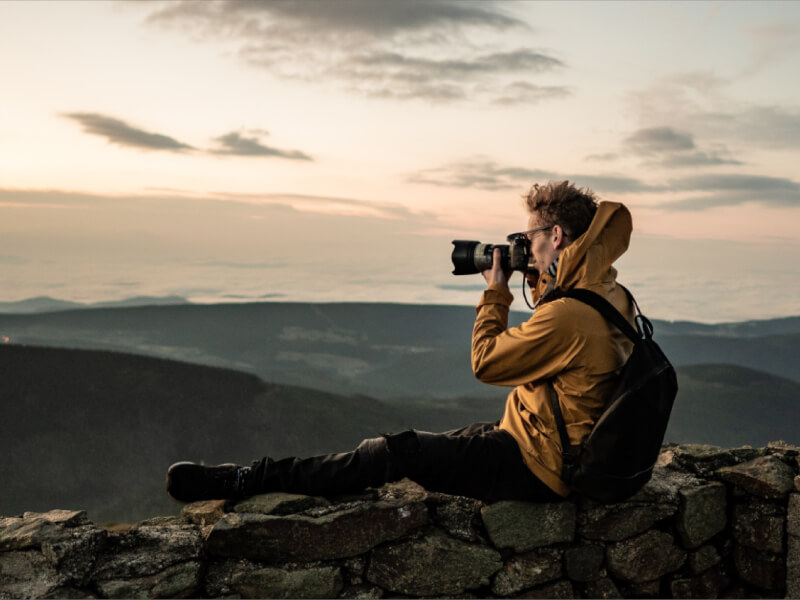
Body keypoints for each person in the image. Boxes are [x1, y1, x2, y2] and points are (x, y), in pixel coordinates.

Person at [166, 180, 634, 505]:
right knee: (436, 442)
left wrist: (496, 290)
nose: (523, 246)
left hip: (538, 466)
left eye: (527, 237)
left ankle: (247, 479)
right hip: (548, 444)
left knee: (394, 452)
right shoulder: (609, 293)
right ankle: (258, 474)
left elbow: (486, 362)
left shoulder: (569, 315)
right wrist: (540, 276)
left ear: (556, 235)